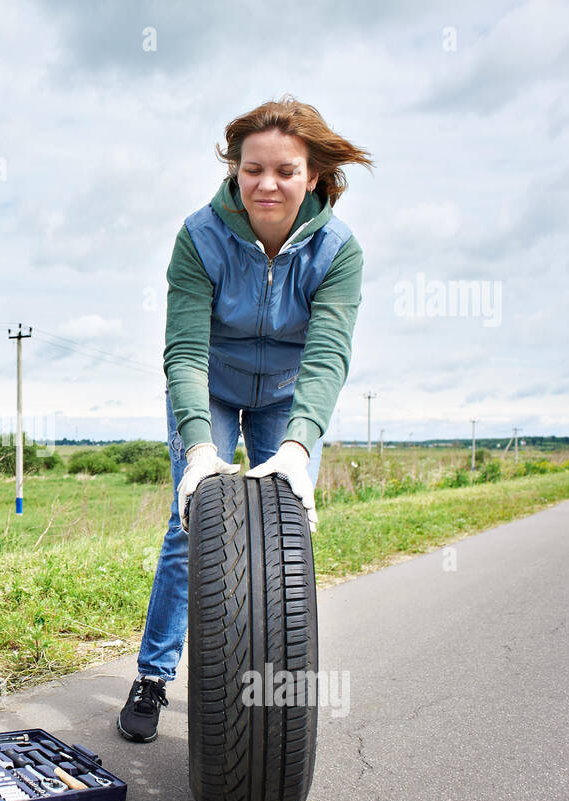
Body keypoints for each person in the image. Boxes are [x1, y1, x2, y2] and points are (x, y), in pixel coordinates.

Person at [118, 96, 373, 743]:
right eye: (252, 168)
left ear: (312, 174)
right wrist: (200, 450)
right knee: (191, 527)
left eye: (285, 170)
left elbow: (327, 357)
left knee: (288, 523)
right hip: (213, 389)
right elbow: (185, 353)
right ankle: (153, 675)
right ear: (234, 168)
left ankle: (277, 682)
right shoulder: (200, 237)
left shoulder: (337, 251)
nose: (267, 183)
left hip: (287, 395)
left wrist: (298, 446)